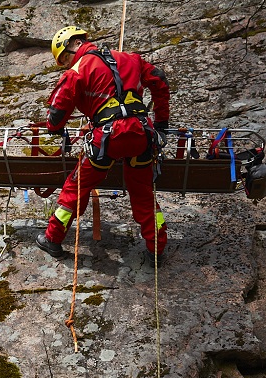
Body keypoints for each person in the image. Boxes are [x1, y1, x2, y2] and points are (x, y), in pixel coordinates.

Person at [37, 26, 171, 260]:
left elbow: (56, 113)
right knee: (142, 192)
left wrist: (54, 128)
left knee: (76, 188)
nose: (67, 63)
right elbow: (160, 81)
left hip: (108, 138)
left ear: (75, 44)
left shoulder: (78, 70)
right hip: (141, 135)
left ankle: (53, 238)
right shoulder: (131, 58)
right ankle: (157, 248)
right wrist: (161, 124)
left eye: (65, 57)